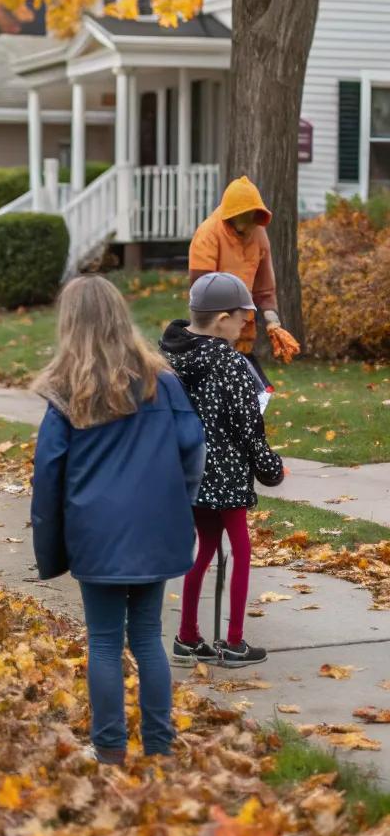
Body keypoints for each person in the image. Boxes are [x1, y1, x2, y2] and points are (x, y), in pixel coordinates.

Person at [31, 276, 205, 767]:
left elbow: (48, 475)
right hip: (155, 528)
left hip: (96, 533)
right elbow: (193, 452)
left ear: (69, 325)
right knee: (147, 636)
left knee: (105, 641)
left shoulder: (67, 393)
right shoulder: (162, 381)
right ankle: (159, 746)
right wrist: (178, 504)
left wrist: (51, 545)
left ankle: (109, 748)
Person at [161, 271, 285, 667]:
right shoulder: (231, 364)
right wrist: (271, 468)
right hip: (228, 473)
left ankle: (187, 637)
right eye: (242, 319)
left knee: (204, 549)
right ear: (221, 320)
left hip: (188, 470)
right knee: (241, 550)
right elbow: (249, 426)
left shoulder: (169, 357)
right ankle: (233, 642)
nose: (245, 327)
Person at [189, 176, 282, 359]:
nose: (250, 230)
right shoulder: (207, 234)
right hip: (215, 326)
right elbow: (202, 291)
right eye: (245, 223)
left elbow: (264, 285)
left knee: (251, 381)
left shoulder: (258, 232)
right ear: (233, 217)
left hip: (244, 325)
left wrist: (273, 320)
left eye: (253, 219)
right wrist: (216, 328)